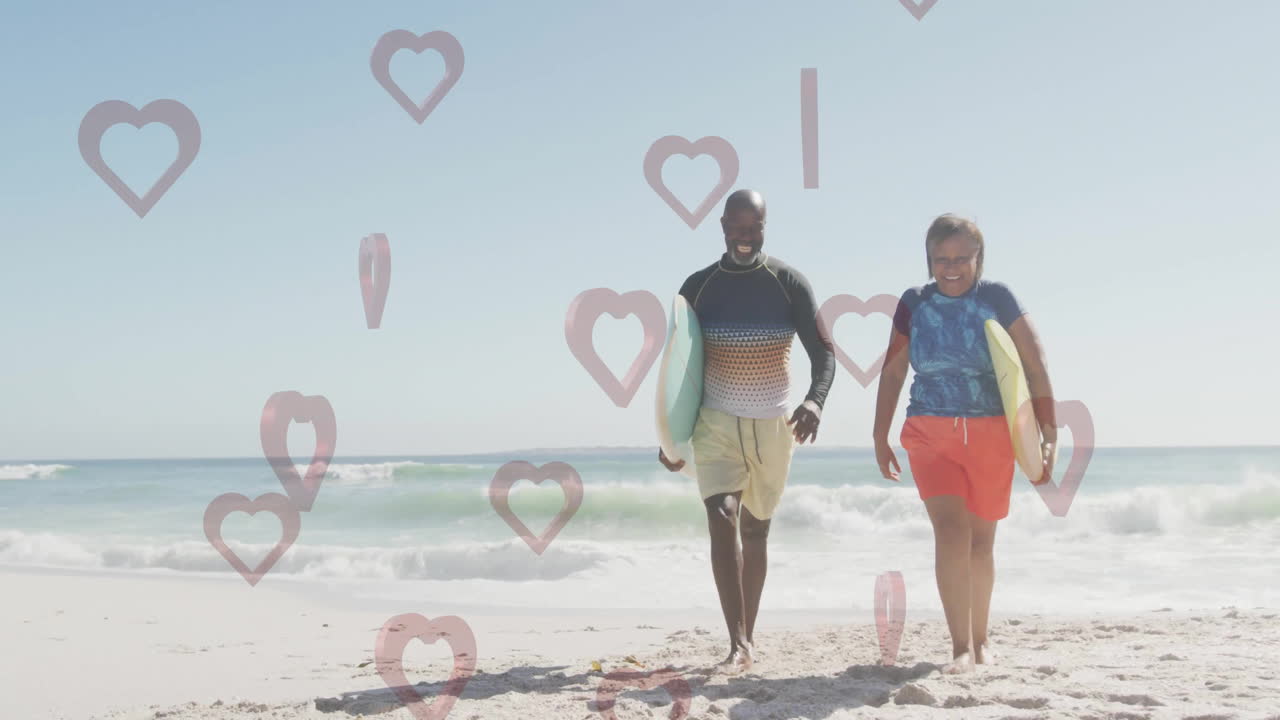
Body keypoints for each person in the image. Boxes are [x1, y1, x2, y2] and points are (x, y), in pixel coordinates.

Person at [658, 189, 836, 672]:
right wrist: (669, 436)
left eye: (754, 227)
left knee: (756, 529)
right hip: (715, 422)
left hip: (773, 425)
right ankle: (736, 642)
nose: (745, 236)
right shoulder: (698, 287)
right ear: (721, 226)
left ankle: (748, 638)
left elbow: (823, 352)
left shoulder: (788, 283)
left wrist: (815, 401)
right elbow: (677, 370)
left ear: (764, 227)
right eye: (737, 227)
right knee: (722, 517)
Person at [872, 214, 1057, 673]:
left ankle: (981, 639)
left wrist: (1047, 433)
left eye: (961, 258)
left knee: (981, 543)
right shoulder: (914, 303)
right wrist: (880, 433)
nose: (951, 268)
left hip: (992, 431)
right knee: (951, 532)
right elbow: (893, 370)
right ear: (928, 259)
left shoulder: (996, 298)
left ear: (979, 257)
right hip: (929, 431)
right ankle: (959, 646)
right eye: (941, 259)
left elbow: (1033, 364)